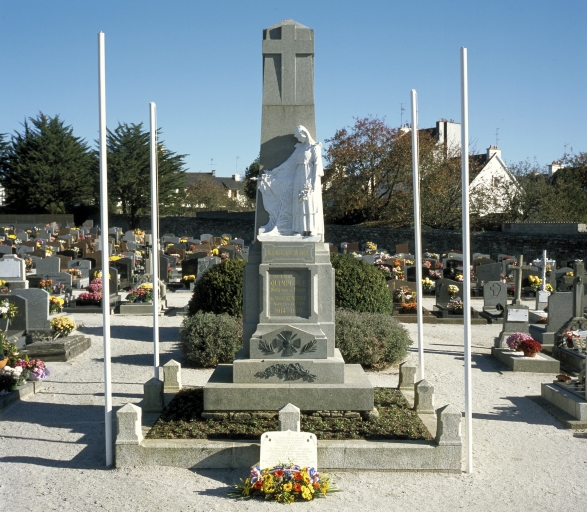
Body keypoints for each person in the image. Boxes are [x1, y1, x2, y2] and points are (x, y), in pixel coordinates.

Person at [258, 125, 324, 239]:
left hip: (309, 176)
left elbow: (318, 165)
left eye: (298, 136)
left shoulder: (314, 147)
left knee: (309, 203)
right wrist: (276, 170)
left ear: (304, 134)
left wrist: (314, 182)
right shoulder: (299, 148)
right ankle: (299, 229)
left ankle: (311, 229)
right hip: (298, 176)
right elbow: (290, 162)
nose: (297, 138)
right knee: (298, 203)